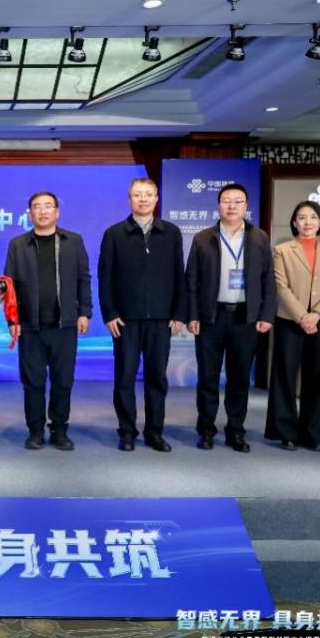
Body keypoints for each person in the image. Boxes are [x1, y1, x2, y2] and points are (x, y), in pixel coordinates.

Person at [186, 183, 275, 452]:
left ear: (246, 206)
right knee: (208, 378)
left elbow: (268, 280)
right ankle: (206, 430)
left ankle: (236, 431)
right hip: (211, 318)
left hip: (245, 318)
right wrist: (192, 315)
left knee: (239, 379)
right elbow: (191, 281)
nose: (232, 206)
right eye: (226, 201)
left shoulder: (259, 237)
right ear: (219, 205)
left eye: (238, 201)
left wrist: (267, 314)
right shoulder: (203, 238)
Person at [99, 178, 186, 452]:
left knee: (157, 378)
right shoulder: (114, 233)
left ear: (156, 198)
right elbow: (105, 277)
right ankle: (127, 431)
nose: (143, 199)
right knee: (124, 378)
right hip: (125, 320)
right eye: (137, 195)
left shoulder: (171, 233)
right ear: (129, 199)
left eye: (148, 194)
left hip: (161, 319)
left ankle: (154, 432)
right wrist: (109, 313)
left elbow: (179, 275)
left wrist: (179, 313)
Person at [4, 191, 92, 450]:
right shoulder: (18, 245)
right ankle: (35, 431)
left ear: (57, 211)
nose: (42, 211)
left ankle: (59, 429)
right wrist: (12, 320)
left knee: (63, 381)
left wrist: (85, 312)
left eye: (47, 206)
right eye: (36, 207)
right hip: (30, 326)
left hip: (65, 325)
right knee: (33, 383)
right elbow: (9, 285)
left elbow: (83, 279)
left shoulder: (73, 241)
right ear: (30, 213)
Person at [264, 200, 320, 452]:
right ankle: (286, 432)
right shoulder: (282, 250)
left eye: (313, 217)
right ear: (294, 222)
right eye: (302, 217)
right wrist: (302, 316)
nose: (307, 222)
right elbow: (280, 286)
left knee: (319, 377)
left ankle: (314, 434)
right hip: (290, 321)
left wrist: (316, 315)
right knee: (285, 376)